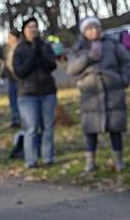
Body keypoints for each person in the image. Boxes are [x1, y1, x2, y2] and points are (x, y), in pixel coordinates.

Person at [67, 16, 130, 172]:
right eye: (90, 28)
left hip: (113, 91)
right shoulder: (79, 48)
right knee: (90, 130)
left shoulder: (113, 44)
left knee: (115, 128)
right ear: (84, 32)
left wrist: (124, 79)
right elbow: (71, 69)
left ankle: (118, 161)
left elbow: (126, 62)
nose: (94, 31)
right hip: (90, 94)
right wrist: (87, 58)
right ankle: (90, 161)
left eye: (97, 27)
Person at [13, 17, 58, 168]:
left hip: (47, 91)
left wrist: (41, 54)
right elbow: (19, 72)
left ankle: (47, 158)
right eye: (29, 27)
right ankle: (31, 160)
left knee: (48, 127)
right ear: (24, 31)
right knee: (31, 128)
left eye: (35, 27)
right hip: (27, 94)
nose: (33, 30)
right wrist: (32, 57)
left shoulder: (45, 46)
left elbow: (52, 65)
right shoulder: (19, 49)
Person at [1, 30, 22, 128]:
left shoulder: (22, 47)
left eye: (10, 36)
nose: (8, 38)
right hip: (11, 78)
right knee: (12, 99)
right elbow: (5, 64)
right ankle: (15, 119)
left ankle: (24, 118)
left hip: (20, 78)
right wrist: (2, 77)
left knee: (21, 99)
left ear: (15, 37)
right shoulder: (7, 49)